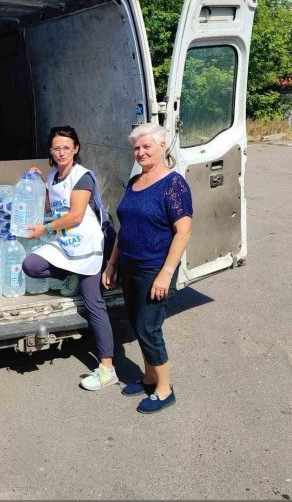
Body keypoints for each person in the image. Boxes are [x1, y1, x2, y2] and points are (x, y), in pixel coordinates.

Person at [102, 123, 192, 414]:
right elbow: (125, 226)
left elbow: (183, 232)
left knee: (148, 327)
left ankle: (164, 389)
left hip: (154, 268)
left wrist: (166, 273)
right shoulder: (135, 181)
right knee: (136, 321)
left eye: (146, 146)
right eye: (136, 148)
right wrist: (112, 263)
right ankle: (149, 377)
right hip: (129, 264)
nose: (140, 152)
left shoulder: (174, 184)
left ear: (161, 146)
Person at [22, 125, 118, 391]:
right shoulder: (52, 175)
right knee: (31, 265)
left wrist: (44, 229)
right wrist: (37, 184)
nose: (61, 152)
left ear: (76, 149)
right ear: (50, 151)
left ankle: (107, 369)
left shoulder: (81, 176)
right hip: (64, 243)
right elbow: (49, 207)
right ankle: (69, 276)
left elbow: (75, 216)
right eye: (56, 148)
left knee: (93, 303)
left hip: (86, 245)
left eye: (66, 147)